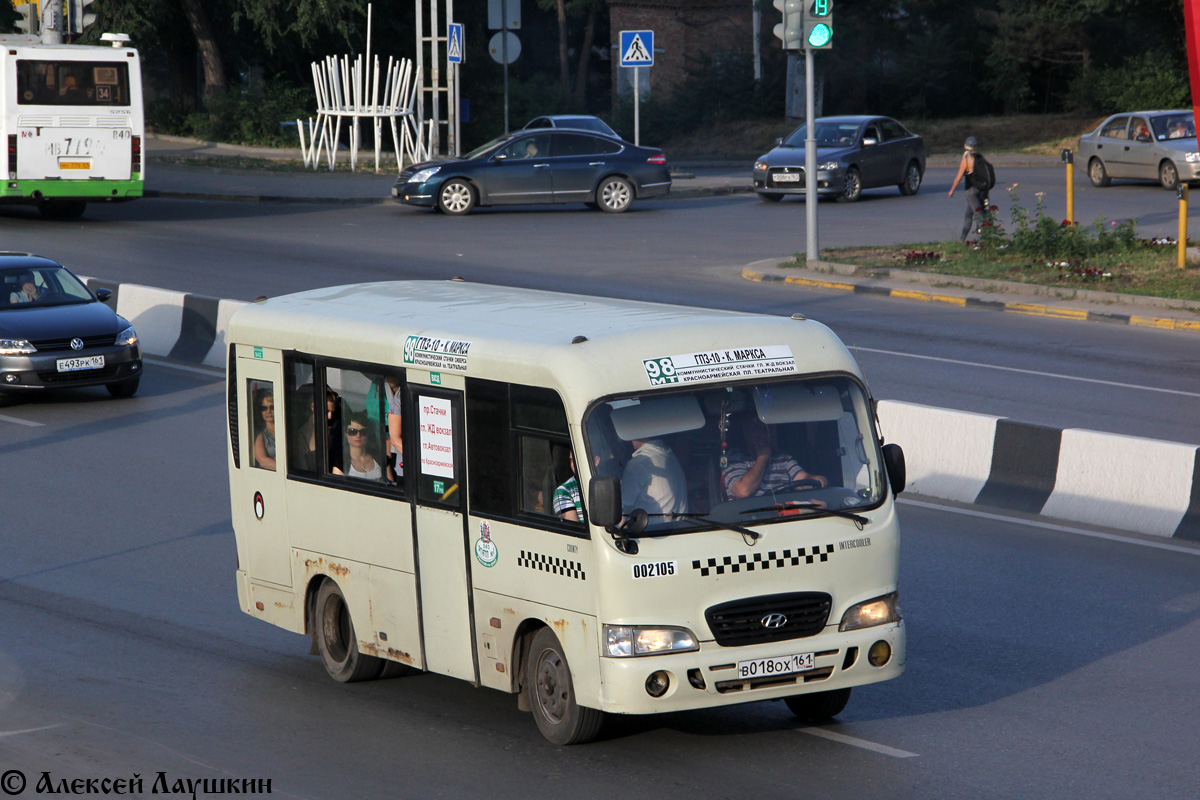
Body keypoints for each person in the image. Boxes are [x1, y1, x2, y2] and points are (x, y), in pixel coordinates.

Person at [722, 414, 825, 499]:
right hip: (749, 519)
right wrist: (763, 457)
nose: (764, 433)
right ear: (746, 432)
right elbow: (743, 491)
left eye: (768, 428)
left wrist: (817, 479)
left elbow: (801, 480)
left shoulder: (783, 458)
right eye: (757, 428)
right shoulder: (733, 459)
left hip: (785, 515)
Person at [621, 437, 687, 518]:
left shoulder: (637, 464)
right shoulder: (669, 455)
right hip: (682, 527)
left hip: (652, 529)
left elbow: (622, 509)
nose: (630, 439)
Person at [948, 136, 988, 242]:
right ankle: (962, 239)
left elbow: (958, 178)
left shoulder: (966, 161)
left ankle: (985, 240)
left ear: (965, 146)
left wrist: (952, 190)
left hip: (971, 192)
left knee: (979, 215)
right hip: (981, 190)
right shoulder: (981, 158)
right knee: (969, 214)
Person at [332, 411, 383, 481]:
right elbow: (337, 490)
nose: (358, 435)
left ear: (368, 434)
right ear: (345, 434)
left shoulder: (380, 458)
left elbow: (391, 484)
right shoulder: (341, 464)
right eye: (352, 431)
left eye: (363, 431)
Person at [553, 450, 586, 523]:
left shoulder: (610, 484)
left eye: (577, 459)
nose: (573, 465)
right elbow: (575, 530)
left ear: (596, 461)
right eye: (571, 460)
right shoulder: (564, 491)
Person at [252, 389, 277, 471]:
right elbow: (263, 461)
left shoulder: (285, 430)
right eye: (264, 408)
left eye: (272, 407)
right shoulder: (259, 433)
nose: (268, 411)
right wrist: (286, 470)